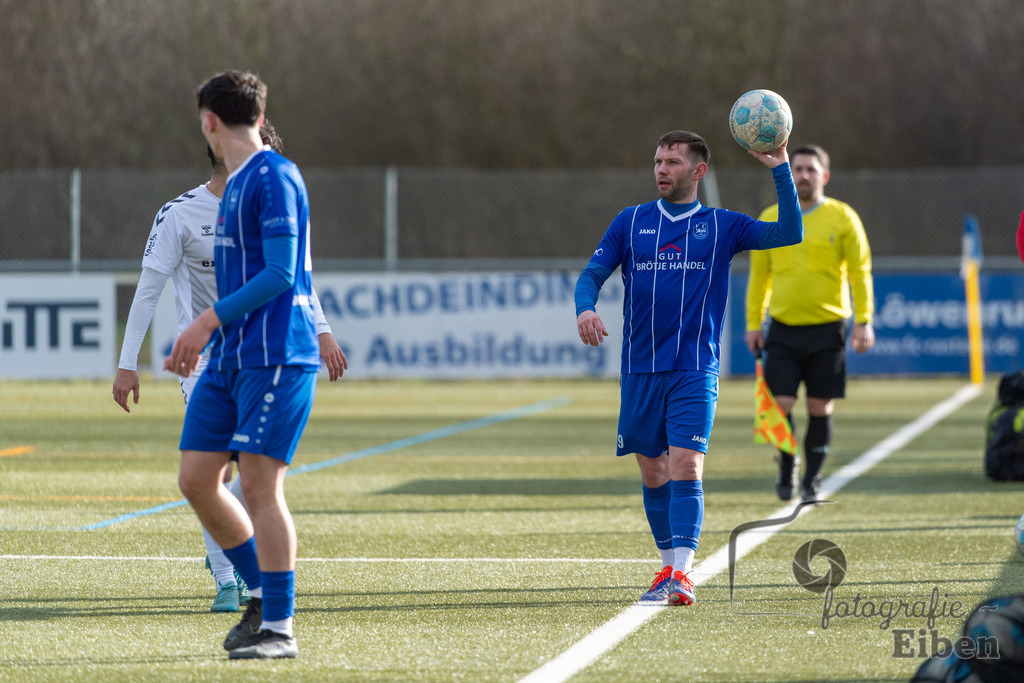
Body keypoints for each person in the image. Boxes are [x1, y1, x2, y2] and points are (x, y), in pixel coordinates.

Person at [113, 121, 346, 615]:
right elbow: (148, 290)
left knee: (254, 474)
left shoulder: (276, 204)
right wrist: (127, 363)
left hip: (262, 355)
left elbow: (296, 276)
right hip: (204, 361)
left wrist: (322, 330)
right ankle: (227, 578)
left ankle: (229, 547)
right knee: (211, 470)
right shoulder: (179, 214)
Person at [574, 130, 803, 607]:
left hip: (695, 368)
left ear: (699, 171)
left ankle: (682, 572)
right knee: (652, 471)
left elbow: (789, 232)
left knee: (686, 464)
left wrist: (781, 167)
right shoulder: (631, 221)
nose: (662, 169)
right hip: (640, 369)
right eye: (658, 161)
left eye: (673, 162)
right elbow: (592, 273)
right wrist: (585, 308)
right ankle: (666, 565)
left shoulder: (723, 226)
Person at [165, 69, 323, 660]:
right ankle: (259, 592)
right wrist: (214, 334)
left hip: (275, 355)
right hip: (231, 358)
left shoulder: (274, 176)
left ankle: (278, 628)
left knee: (258, 485)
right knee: (196, 479)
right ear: (257, 114)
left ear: (208, 122)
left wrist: (205, 322)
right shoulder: (232, 186)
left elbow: (282, 272)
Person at [744, 144, 874, 503]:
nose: (803, 175)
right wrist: (754, 323)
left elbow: (860, 272)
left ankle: (812, 479)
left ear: (824, 176)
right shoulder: (770, 215)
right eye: (797, 168)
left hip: (828, 329)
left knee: (820, 407)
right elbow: (759, 277)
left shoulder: (843, 217)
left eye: (810, 169)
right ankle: (787, 465)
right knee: (780, 405)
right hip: (783, 329)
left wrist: (864, 320)